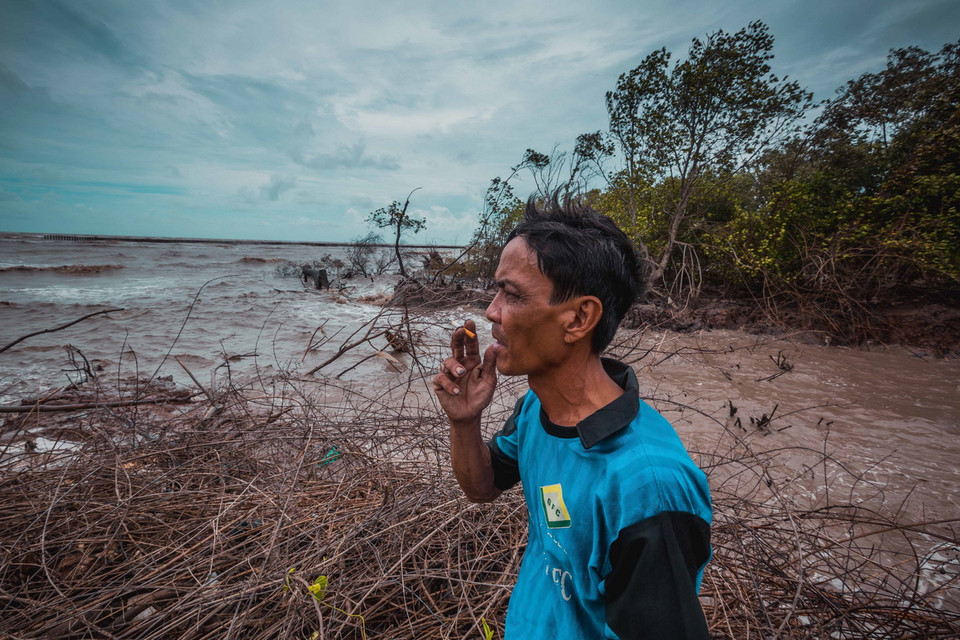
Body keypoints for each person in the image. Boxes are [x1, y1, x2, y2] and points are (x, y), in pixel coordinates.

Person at [433, 195, 712, 639]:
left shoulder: (647, 487)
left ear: (580, 318)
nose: (491, 311)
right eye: (496, 290)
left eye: (512, 294)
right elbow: (482, 487)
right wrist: (464, 421)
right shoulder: (535, 411)